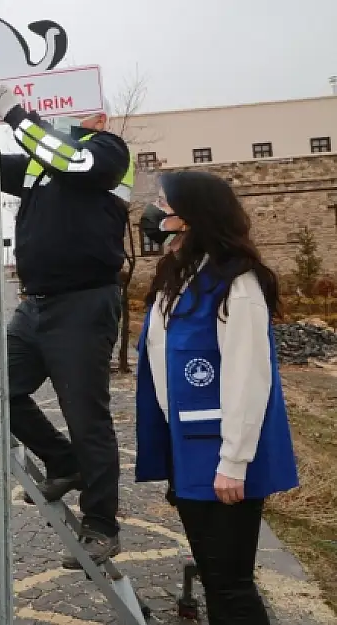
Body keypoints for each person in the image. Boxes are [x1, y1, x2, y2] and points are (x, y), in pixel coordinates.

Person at [0, 75, 135, 567]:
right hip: (34, 305)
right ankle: (64, 462)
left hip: (84, 304)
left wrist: (16, 114)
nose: (57, 117)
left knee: (87, 418)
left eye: (72, 111)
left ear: (98, 119)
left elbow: (67, 157)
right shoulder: (43, 162)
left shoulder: (107, 152)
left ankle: (102, 525)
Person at [135, 171, 298, 625]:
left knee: (231, 584)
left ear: (194, 217)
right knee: (214, 576)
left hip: (224, 457)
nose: (155, 215)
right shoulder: (179, 277)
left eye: (165, 207)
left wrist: (234, 461)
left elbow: (249, 378)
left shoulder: (236, 284)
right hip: (189, 449)